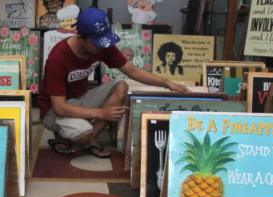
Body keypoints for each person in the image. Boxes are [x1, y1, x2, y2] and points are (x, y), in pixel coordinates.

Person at [39, 7, 187, 158]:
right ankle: (73, 137)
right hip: (53, 110)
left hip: (79, 100)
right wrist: (102, 113)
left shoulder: (102, 46)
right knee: (82, 133)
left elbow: (132, 71)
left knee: (121, 86)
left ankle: (88, 140)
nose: (102, 45)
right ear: (82, 37)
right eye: (97, 42)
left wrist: (167, 83)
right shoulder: (58, 58)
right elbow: (59, 107)